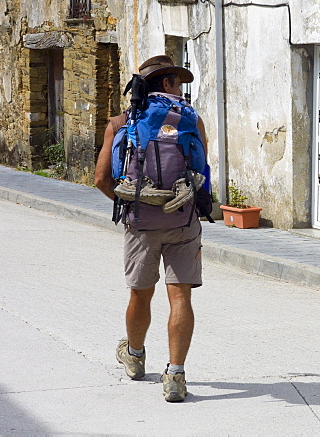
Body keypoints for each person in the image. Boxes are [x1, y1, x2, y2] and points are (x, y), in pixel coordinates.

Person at [95, 54, 208, 403]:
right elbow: (202, 170)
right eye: (177, 80)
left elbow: (101, 178)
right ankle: (175, 375)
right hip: (183, 218)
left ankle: (135, 355)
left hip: (141, 221)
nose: (181, 88)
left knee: (140, 294)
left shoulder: (120, 122)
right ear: (167, 82)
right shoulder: (192, 120)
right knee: (180, 295)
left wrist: (131, 201)